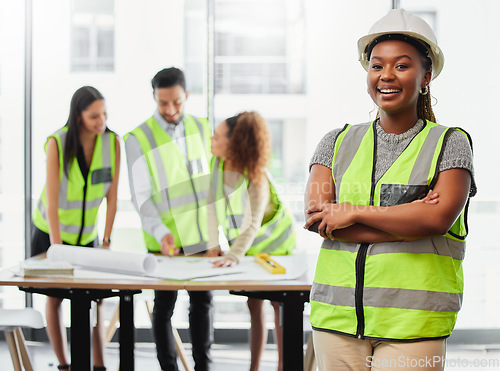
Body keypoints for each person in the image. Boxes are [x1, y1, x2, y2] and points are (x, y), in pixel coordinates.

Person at [303, 9, 476, 370]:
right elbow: (319, 218)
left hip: (415, 325)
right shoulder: (334, 143)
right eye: (377, 65)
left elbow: (437, 220)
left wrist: (352, 211)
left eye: (401, 66)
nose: (386, 76)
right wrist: (408, 221)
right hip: (337, 321)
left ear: (426, 75)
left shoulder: (451, 144)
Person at [125, 67, 213, 371]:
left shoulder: (203, 127)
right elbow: (141, 196)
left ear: (186, 95)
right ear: (154, 98)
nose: (170, 110)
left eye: (176, 102)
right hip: (164, 240)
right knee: (164, 308)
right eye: (163, 103)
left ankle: (204, 367)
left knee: (202, 305)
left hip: (201, 236)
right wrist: (161, 231)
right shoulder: (137, 138)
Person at [32, 86, 120, 371]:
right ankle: (63, 364)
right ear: (78, 115)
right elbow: (54, 202)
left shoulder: (112, 142)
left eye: (104, 114)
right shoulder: (58, 142)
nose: (101, 120)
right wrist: (57, 249)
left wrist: (106, 240)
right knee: (55, 298)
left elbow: (112, 197)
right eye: (94, 115)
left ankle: (99, 363)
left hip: (88, 237)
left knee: (96, 299)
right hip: (51, 234)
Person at [205, 111, 296, 371]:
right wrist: (214, 245)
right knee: (253, 304)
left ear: (234, 143)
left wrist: (233, 256)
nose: (212, 139)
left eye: (218, 136)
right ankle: (254, 368)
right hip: (248, 246)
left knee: (280, 306)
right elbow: (212, 207)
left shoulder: (257, 175)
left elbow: (254, 222)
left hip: (277, 247)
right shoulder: (217, 164)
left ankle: (282, 366)